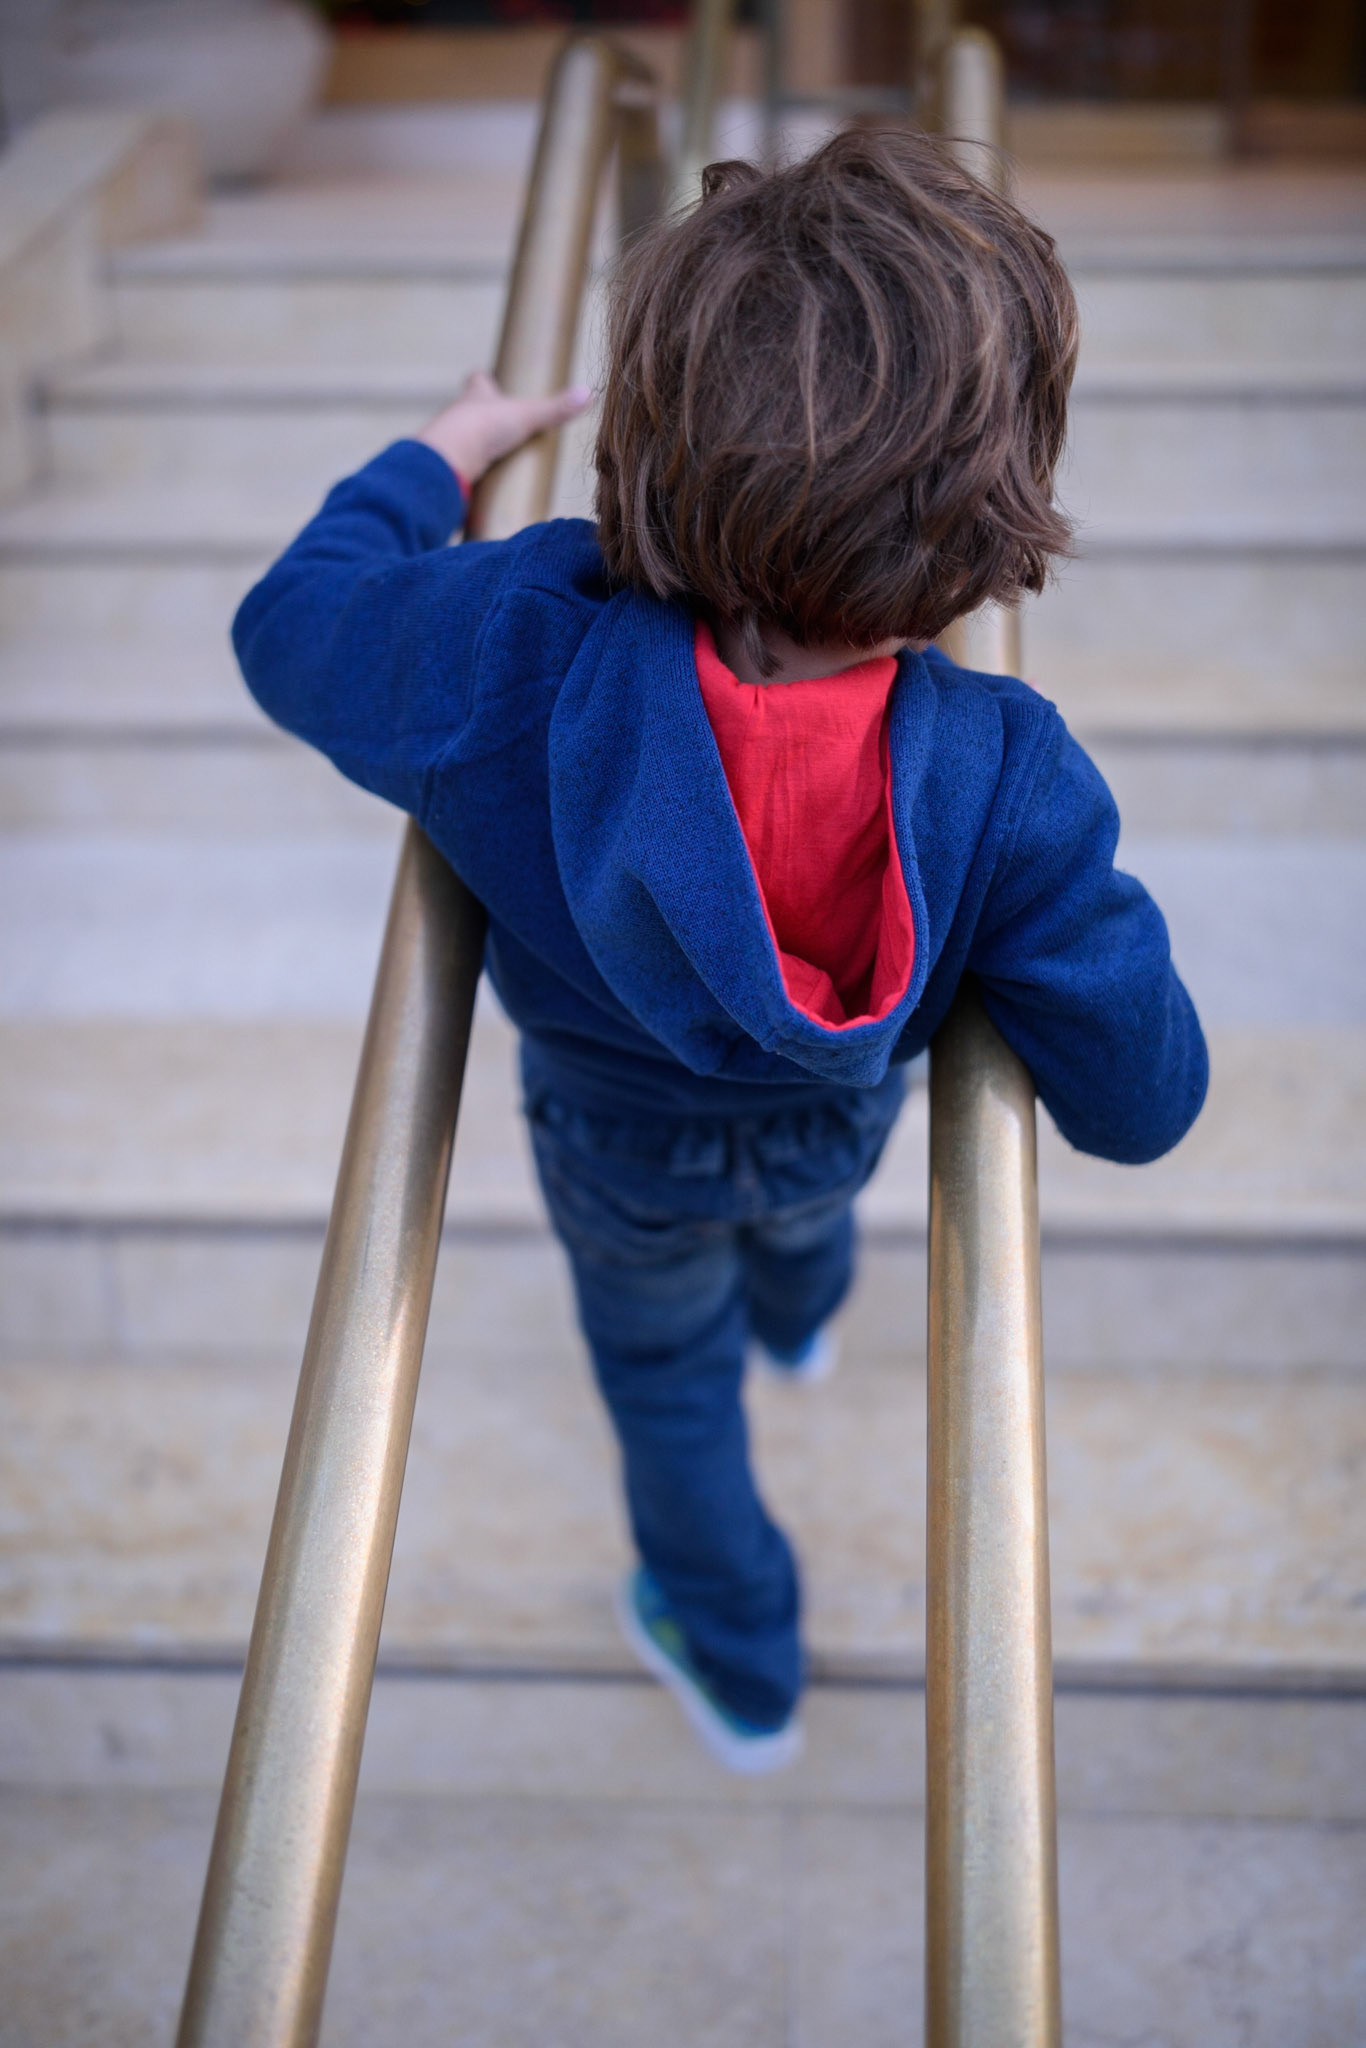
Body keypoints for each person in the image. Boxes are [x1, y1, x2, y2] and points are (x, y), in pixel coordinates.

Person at [233, 129, 1207, 1774]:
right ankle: (806, 1307)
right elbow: (1141, 1100)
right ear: (988, 509)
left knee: (664, 1380)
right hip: (826, 1126)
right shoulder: (1008, 781)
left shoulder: (502, 648)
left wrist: (435, 453)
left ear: (650, 439)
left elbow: (288, 628)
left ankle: (739, 1653)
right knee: (796, 1218)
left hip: (611, 1141)